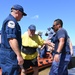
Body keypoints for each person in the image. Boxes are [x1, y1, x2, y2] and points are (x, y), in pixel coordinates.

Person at [0, 4, 27, 75]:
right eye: (22, 14)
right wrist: (19, 55)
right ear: (18, 12)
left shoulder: (8, 20)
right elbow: (11, 39)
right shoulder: (11, 21)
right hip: (10, 54)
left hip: (6, 53)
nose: (22, 17)